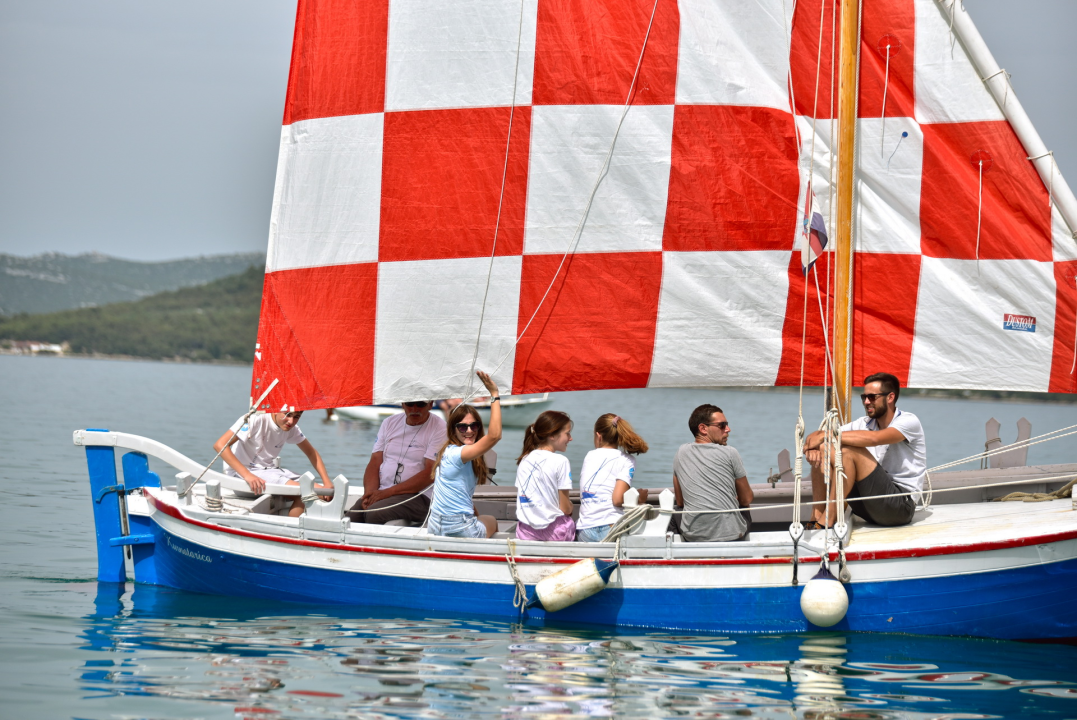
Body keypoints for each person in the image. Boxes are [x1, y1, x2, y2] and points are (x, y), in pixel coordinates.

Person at [803, 372, 926, 528]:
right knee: (824, 449)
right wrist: (815, 447)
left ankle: (828, 520)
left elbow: (875, 439)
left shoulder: (908, 421)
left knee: (846, 451)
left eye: (872, 397)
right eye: (864, 397)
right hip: (867, 506)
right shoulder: (863, 423)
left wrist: (824, 437)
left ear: (890, 397)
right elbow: (816, 437)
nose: (866, 402)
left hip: (899, 507)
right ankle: (816, 518)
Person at [214, 410, 333, 518]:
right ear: (275, 410)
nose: (291, 421)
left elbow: (311, 452)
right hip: (242, 475)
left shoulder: (292, 428)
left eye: (296, 417)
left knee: (325, 494)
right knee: (308, 493)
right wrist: (247, 475)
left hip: (269, 470)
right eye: (287, 415)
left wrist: (327, 481)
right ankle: (291, 532)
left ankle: (295, 530)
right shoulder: (255, 418)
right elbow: (220, 445)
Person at [428, 371, 502, 539]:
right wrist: (494, 395)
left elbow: (461, 495)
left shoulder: (447, 452)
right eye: (462, 427)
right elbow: (495, 435)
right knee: (491, 520)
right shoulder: (458, 454)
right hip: (458, 527)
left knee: (479, 518)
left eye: (473, 426)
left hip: (435, 526)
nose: (469, 431)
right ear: (453, 430)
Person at [349, 398, 447, 525]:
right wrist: (369, 494)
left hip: (421, 495)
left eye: (421, 404)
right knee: (351, 517)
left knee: (375, 513)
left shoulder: (440, 427)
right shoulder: (389, 422)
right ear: (403, 404)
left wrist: (387, 493)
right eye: (410, 403)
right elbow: (375, 461)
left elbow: (430, 473)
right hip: (385, 491)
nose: (415, 409)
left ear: (430, 405)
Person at [671, 404, 754, 542]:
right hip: (731, 536)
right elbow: (746, 499)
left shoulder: (681, 452)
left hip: (693, 536)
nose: (728, 429)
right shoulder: (730, 453)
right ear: (703, 428)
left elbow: (680, 501)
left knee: (675, 513)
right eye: (722, 425)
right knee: (744, 506)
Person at [575, 413, 650, 542]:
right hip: (611, 528)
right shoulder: (627, 459)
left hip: (584, 531)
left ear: (598, 436)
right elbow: (617, 499)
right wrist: (639, 498)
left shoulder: (589, 456)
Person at [514, 410, 576, 541]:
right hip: (555, 533)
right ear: (552, 435)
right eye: (567, 433)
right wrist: (571, 507)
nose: (570, 438)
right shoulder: (561, 461)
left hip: (525, 531)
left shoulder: (524, 459)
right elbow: (565, 508)